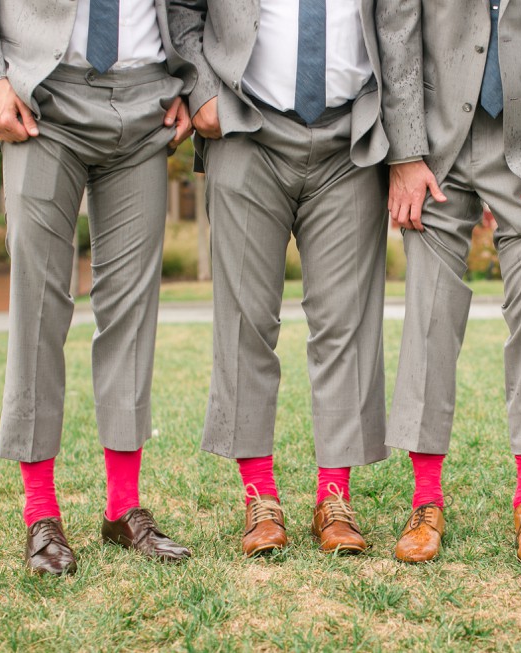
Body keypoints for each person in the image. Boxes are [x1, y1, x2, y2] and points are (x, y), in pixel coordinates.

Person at [0, 0, 198, 574]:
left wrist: (191, 81)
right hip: (42, 96)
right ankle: (40, 512)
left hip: (146, 100)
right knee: (39, 304)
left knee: (132, 307)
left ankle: (124, 508)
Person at [376, 0, 521, 563]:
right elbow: (398, 26)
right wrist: (405, 150)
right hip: (436, 141)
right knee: (428, 317)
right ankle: (425, 500)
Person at [168, 0, 390, 555]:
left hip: (351, 133)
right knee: (246, 320)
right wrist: (201, 90)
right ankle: (259, 496)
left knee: (346, 320)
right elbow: (182, 8)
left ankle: (334, 495)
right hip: (246, 126)